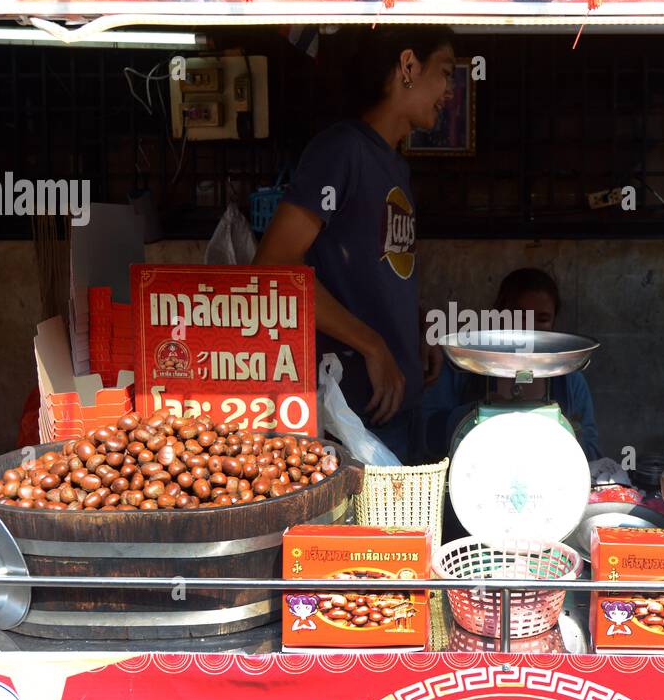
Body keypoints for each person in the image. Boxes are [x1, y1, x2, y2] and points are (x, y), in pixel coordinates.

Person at [253, 28, 456, 462]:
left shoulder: (394, 164)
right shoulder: (342, 149)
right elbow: (274, 267)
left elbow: (375, 273)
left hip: (396, 400)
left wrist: (415, 325)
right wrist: (373, 345)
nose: (450, 91)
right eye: (445, 73)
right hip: (352, 409)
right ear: (408, 66)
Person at [422, 268, 600, 461]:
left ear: (554, 323)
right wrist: (474, 413)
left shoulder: (570, 382)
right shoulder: (462, 369)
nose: (530, 327)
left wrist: (560, 433)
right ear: (499, 315)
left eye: (542, 318)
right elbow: (425, 437)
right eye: (520, 316)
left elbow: (592, 452)